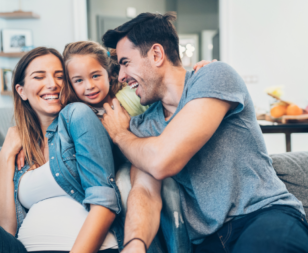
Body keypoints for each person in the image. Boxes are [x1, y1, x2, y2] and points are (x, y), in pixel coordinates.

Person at [100, 12, 308, 253]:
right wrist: (135, 244)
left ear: (156, 54)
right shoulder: (144, 126)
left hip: (263, 217)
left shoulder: (214, 76)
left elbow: (162, 160)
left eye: (126, 62)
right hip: (208, 241)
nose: (122, 76)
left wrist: (120, 135)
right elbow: (145, 190)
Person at [13, 41, 213, 253]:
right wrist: (20, 143)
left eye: (96, 76)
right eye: (78, 80)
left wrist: (197, 74)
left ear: (109, 74)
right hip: (120, 169)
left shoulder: (127, 99)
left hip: (145, 160)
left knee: (137, 185)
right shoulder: (71, 116)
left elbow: (167, 93)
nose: (89, 86)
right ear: (71, 85)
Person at [0, 47, 121, 253]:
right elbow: (8, 228)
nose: (52, 84)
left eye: (59, 76)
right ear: (21, 91)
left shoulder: (78, 115)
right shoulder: (21, 149)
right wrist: (5, 155)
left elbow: (105, 204)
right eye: (39, 77)